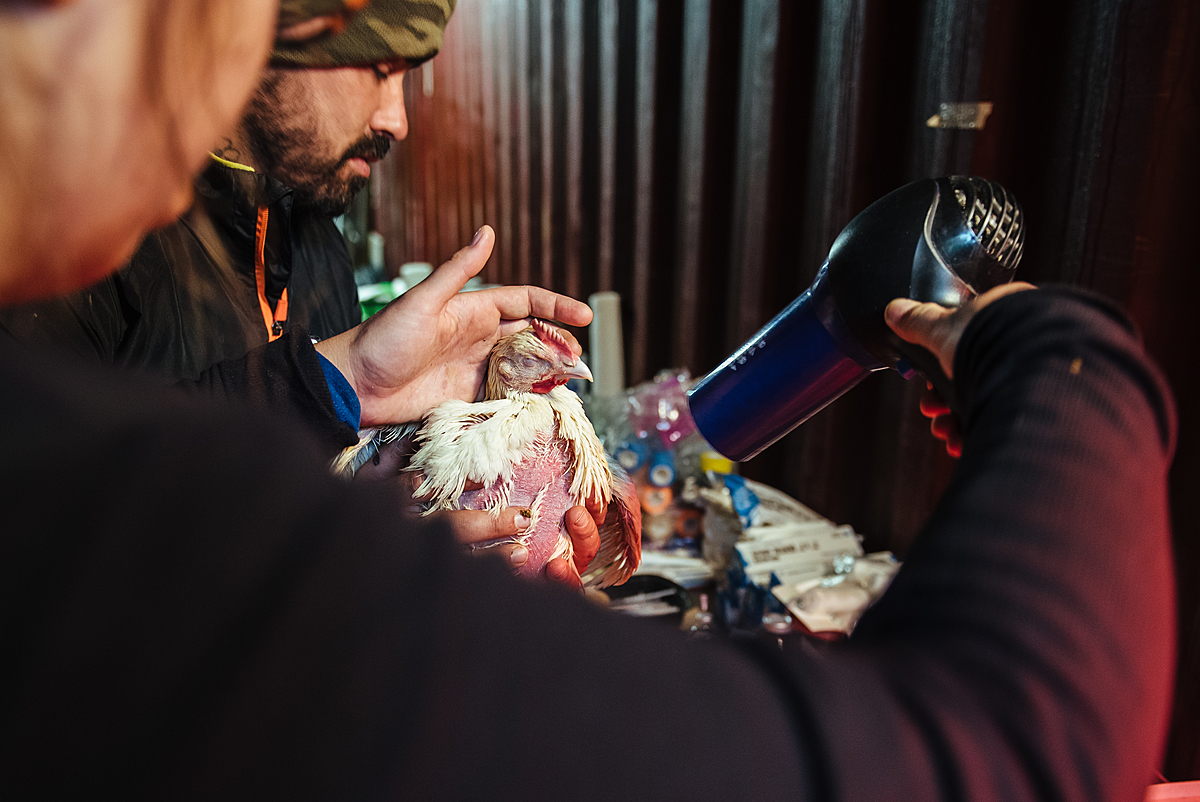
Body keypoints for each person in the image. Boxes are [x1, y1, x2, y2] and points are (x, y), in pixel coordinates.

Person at [0, 0, 1176, 799]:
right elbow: (1011, 746)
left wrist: (340, 384)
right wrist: (1055, 349)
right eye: (276, 24)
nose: (399, 116)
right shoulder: (101, 532)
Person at [0, 0, 599, 584]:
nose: (398, 119)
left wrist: (394, 505)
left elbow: (300, 501)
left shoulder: (316, 246)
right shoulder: (66, 239)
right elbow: (52, 547)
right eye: (379, 68)